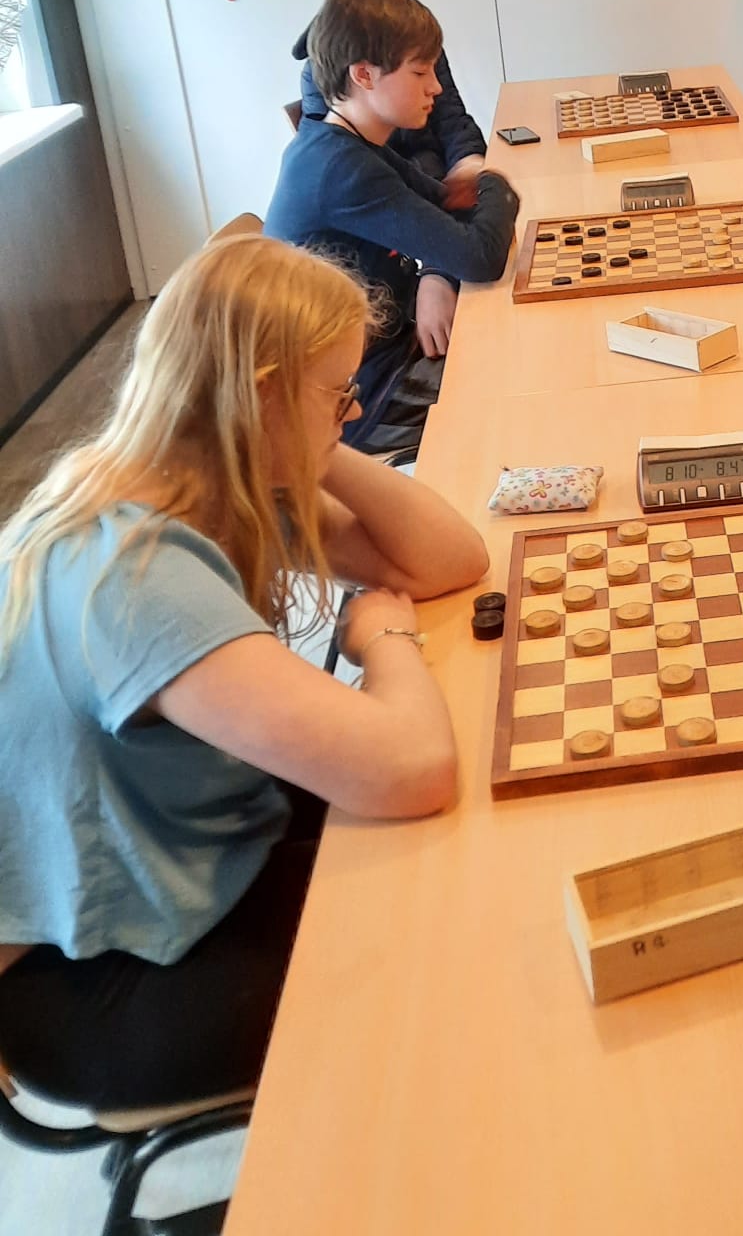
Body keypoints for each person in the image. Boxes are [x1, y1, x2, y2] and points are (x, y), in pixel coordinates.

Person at [0, 235, 487, 1112]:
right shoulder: (131, 572)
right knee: (452, 938)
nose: (353, 412)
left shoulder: (191, 476)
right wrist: (383, 640)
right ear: (259, 394)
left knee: (462, 853)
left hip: (177, 865)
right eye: (338, 393)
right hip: (97, 982)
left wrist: (314, 437)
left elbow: (448, 560)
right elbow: (411, 769)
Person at [266, 0, 518, 455]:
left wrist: (442, 261)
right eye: (420, 72)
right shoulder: (341, 168)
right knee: (518, 383)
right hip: (357, 397)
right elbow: (480, 256)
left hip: (389, 350)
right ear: (363, 74)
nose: (435, 87)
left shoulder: (352, 144)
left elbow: (449, 204)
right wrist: (499, 183)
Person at [294, 0, 486, 206]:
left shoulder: (417, 46)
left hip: (437, 176)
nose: (384, 9)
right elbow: (340, 163)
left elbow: (450, 115)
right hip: (389, 197)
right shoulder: (317, 74)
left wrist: (468, 161)